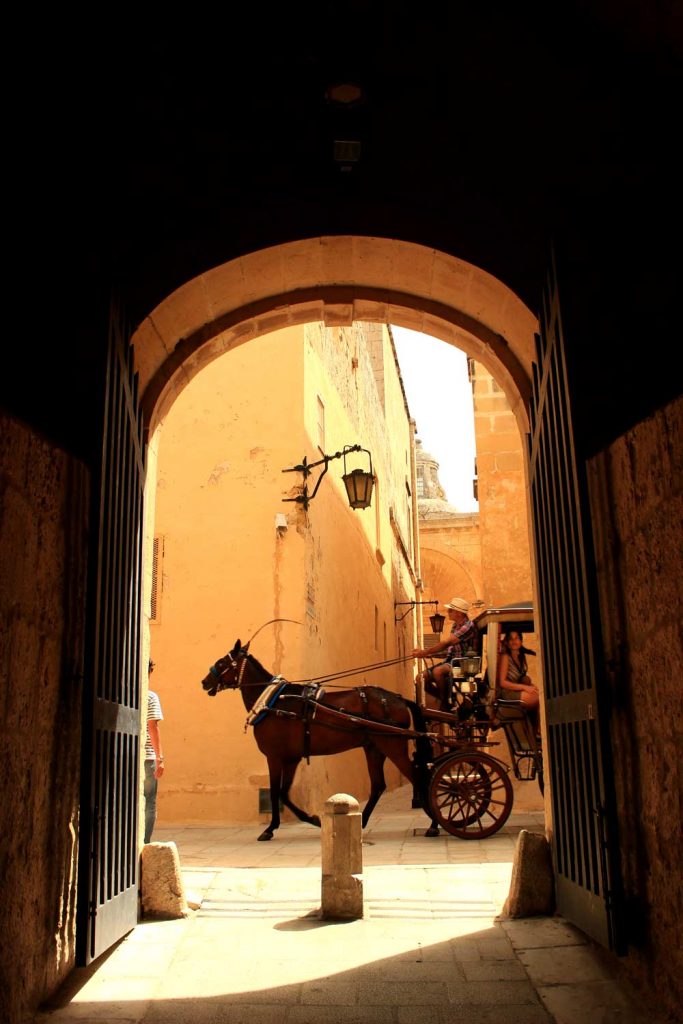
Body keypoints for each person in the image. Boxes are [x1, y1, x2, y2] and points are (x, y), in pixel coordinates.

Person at [412, 597, 480, 711]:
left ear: (459, 613)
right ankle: (443, 697)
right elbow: (449, 649)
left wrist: (424, 652)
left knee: (438, 672)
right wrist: (431, 654)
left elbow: (446, 643)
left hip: (466, 665)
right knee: (420, 678)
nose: (448, 612)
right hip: (451, 662)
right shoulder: (455, 626)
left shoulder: (468, 626)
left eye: (450, 610)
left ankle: (446, 703)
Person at [496, 630, 540, 734]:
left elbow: (522, 678)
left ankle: (534, 731)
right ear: (506, 642)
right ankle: (536, 731)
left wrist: (530, 686)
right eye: (511, 639)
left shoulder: (521, 656)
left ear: (521, 641)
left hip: (516, 691)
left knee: (539, 695)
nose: (514, 641)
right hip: (507, 692)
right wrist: (525, 688)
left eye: (517, 638)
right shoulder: (505, 657)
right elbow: (502, 683)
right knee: (538, 699)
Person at [144, 660, 165, 843]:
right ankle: (144, 842)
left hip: (127, 756)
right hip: (148, 758)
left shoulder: (125, 695)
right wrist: (160, 758)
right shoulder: (150, 696)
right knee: (149, 802)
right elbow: (153, 727)